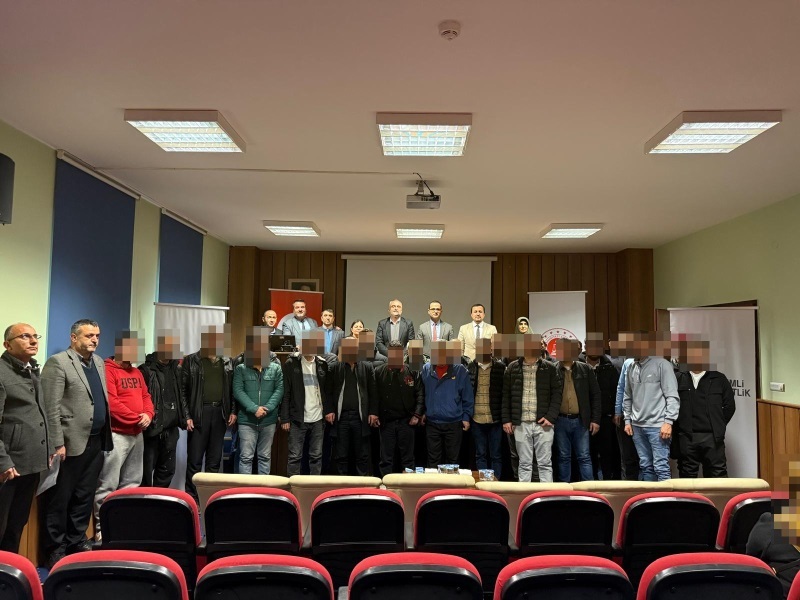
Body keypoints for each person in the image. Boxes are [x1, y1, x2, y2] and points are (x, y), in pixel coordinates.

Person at [40, 319, 112, 566]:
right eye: (89, 335)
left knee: (84, 495)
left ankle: (77, 540)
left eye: (97, 335)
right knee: (60, 498)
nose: (95, 340)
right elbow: (50, 407)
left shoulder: (98, 362)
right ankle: (55, 548)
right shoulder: (58, 363)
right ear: (74, 337)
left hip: (96, 440)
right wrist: (57, 443)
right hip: (69, 443)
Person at [0, 323, 58, 554]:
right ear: (7, 344)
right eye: (25, 336)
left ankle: (9, 571)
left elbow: (41, 412)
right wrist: (3, 462)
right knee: (2, 525)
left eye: (35, 336)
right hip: (9, 466)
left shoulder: (32, 369)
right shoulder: (2, 372)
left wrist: (49, 447)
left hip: (31, 462)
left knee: (17, 524)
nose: (33, 341)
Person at [94, 331, 154, 541]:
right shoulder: (108, 370)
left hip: (137, 435)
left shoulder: (136, 372)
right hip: (117, 434)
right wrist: (137, 418)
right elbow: (112, 403)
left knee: (132, 483)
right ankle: (103, 529)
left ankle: (125, 525)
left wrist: (148, 414)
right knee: (108, 484)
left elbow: (146, 396)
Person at [182, 324, 237, 504]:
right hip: (199, 413)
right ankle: (192, 499)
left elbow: (232, 390)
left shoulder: (227, 362)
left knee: (214, 460)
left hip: (220, 414)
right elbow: (183, 390)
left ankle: (209, 498)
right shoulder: (191, 360)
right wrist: (187, 415)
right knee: (195, 460)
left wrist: (233, 411)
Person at [502, 333, 562, 482]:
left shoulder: (549, 368)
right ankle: (525, 495)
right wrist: (507, 420)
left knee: (545, 464)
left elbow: (557, 394)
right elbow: (506, 395)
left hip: (543, 423)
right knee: (524, 464)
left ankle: (547, 495)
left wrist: (550, 417)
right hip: (521, 422)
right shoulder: (512, 367)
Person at [622, 333, 680, 482]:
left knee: (661, 467)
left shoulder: (662, 364)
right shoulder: (631, 367)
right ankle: (650, 497)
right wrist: (627, 420)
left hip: (657, 426)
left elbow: (672, 396)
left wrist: (668, 422)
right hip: (637, 426)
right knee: (646, 466)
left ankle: (665, 497)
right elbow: (627, 395)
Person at [674, 339, 735, 478]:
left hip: (712, 437)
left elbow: (729, 407)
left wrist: (718, 424)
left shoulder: (719, 379)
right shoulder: (678, 378)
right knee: (686, 475)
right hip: (686, 437)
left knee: (717, 475)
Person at [138, 330, 189, 487]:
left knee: (167, 471)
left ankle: (159, 499)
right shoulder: (145, 369)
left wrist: (185, 417)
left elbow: (182, 394)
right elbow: (141, 398)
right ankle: (145, 500)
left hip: (171, 429)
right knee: (146, 472)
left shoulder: (177, 369)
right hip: (152, 430)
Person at [233, 327, 284, 475]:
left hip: (268, 420)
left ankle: (264, 488)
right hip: (247, 420)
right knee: (246, 457)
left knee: (265, 457)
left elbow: (279, 390)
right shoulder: (241, 368)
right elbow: (238, 391)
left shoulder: (276, 368)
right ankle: (245, 488)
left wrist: (267, 408)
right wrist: (254, 408)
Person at [281, 331, 332, 475]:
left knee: (316, 456)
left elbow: (326, 392)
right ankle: (293, 486)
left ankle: (313, 485)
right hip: (298, 418)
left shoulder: (322, 364)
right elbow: (286, 392)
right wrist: (285, 418)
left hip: (318, 418)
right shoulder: (291, 364)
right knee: (295, 456)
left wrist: (328, 410)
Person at [328, 337, 378, 475]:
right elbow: (328, 391)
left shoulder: (367, 366)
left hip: (360, 418)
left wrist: (373, 412)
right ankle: (341, 483)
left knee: (362, 454)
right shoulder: (335, 367)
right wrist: (329, 410)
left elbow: (373, 392)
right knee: (341, 455)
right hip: (341, 417)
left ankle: (363, 484)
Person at [553, 338, 600, 482]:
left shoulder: (585, 369)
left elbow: (595, 395)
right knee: (563, 457)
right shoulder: (552, 369)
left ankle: (589, 489)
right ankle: (564, 489)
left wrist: (595, 420)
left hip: (581, 420)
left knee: (584, 456)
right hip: (559, 420)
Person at [374, 341, 424, 475]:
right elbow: (374, 395)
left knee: (408, 459)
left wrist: (417, 415)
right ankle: (385, 484)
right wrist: (374, 414)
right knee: (386, 459)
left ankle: (408, 485)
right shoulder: (379, 371)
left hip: (407, 421)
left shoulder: (412, 371)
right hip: (386, 422)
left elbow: (420, 394)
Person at [421, 340, 474, 467]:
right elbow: (421, 393)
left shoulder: (460, 370)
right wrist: (422, 412)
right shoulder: (426, 369)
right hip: (432, 423)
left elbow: (468, 397)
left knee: (453, 461)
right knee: (433, 461)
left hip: (454, 423)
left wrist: (466, 417)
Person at [584, 333, 622, 480]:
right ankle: (590, 483)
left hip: (606, 418)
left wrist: (615, 412)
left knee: (608, 453)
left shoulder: (609, 367)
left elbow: (616, 391)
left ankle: (608, 482)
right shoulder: (579, 366)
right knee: (587, 454)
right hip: (584, 418)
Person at [467, 338, 505, 478]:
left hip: (495, 419)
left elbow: (505, 393)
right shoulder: (470, 367)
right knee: (480, 454)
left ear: (490, 349)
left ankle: (496, 484)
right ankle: (483, 483)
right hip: (476, 418)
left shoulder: (500, 368)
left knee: (496, 455)